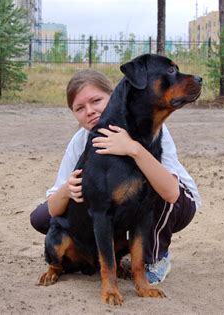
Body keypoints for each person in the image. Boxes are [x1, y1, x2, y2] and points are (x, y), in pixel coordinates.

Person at [30, 69, 201, 285]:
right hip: (120, 208)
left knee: (149, 190)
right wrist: (67, 189)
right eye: (80, 108)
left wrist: (133, 148)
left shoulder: (149, 128)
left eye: (96, 100)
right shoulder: (81, 140)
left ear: (113, 96)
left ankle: (155, 257)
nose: (90, 111)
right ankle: (93, 254)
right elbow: (54, 209)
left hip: (176, 203)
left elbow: (170, 191)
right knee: (42, 217)